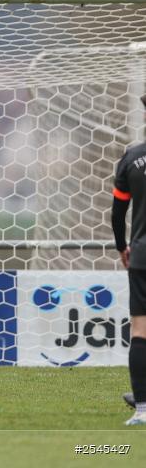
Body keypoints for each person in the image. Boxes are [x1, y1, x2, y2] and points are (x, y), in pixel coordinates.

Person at [112, 94, 146, 425]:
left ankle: (142, 409)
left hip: (142, 256)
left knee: (140, 330)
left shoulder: (132, 158)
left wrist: (122, 245)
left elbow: (118, 210)